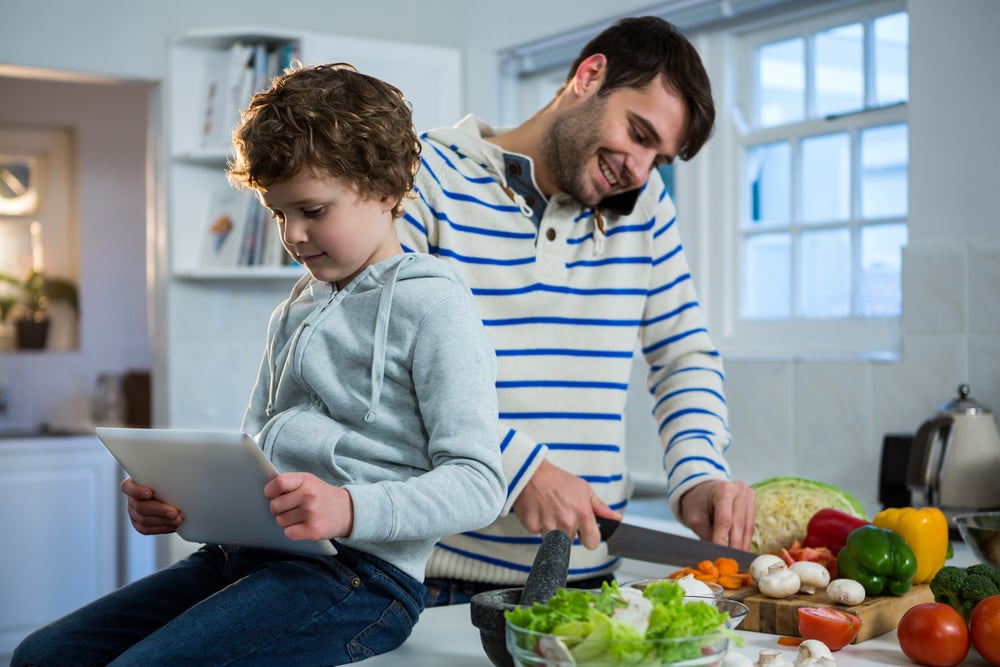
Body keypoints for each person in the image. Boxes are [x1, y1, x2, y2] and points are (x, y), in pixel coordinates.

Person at [12, 64, 505, 666]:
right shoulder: (295, 307)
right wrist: (183, 501)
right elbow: (256, 447)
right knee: (41, 656)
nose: (293, 234)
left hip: (362, 579)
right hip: (241, 556)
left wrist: (349, 508)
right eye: (278, 214)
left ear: (386, 189)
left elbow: (481, 483)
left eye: (313, 210)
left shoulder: (436, 306)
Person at [397, 15, 756, 606]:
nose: (639, 170)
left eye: (658, 157)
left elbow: (682, 352)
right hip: (440, 577)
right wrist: (518, 468)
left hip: (590, 580)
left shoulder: (644, 206)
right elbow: (388, 367)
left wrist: (699, 474)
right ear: (589, 77)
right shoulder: (424, 177)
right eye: (639, 133)